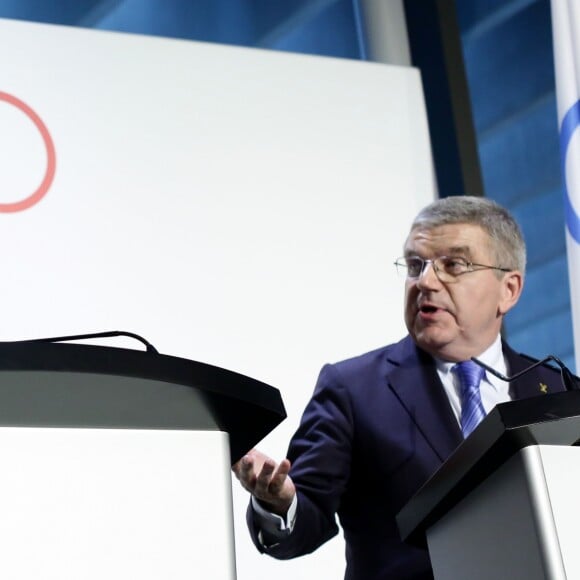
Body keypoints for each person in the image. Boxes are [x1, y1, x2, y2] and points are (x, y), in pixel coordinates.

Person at [232, 195, 566, 580]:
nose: (425, 281)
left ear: (509, 289)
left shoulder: (555, 387)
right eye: (415, 265)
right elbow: (307, 513)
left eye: (453, 265)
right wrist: (281, 504)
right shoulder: (353, 389)